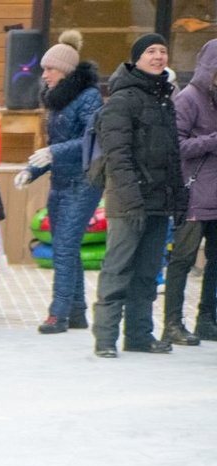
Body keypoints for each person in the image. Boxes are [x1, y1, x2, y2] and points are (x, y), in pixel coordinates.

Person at [90, 34, 186, 358]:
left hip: (158, 201)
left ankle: (139, 335)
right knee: (118, 269)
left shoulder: (164, 100)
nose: (158, 56)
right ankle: (105, 338)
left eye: (162, 51)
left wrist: (178, 200)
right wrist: (132, 200)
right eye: (150, 51)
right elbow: (117, 156)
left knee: (147, 273)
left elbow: (173, 155)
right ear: (136, 59)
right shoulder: (122, 99)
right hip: (127, 200)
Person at [14, 30, 103, 335]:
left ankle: (58, 313)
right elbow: (53, 145)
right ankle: (76, 312)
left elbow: (90, 141)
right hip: (60, 182)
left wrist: (52, 152)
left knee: (64, 245)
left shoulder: (89, 98)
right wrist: (32, 170)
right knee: (68, 247)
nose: (45, 74)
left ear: (65, 71)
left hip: (84, 182)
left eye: (50, 69)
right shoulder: (56, 101)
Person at [163, 37, 217, 345]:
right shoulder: (189, 99)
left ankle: (207, 319)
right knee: (182, 260)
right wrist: (212, 141)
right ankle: (172, 323)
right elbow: (176, 146)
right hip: (194, 194)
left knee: (216, 261)